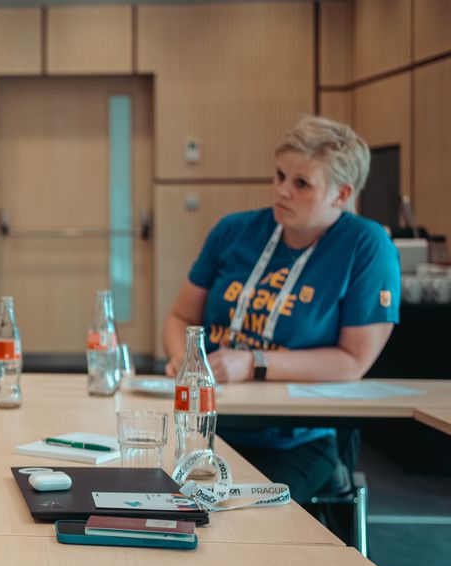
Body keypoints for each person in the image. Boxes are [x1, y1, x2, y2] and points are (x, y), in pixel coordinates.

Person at [162, 115, 400, 503]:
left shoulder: (366, 246)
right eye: (279, 176)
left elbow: (353, 361)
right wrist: (186, 362)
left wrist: (253, 362)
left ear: (341, 195)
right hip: (204, 429)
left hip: (294, 437)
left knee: (232, 515)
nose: (282, 191)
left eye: (301, 183)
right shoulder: (233, 230)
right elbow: (180, 319)